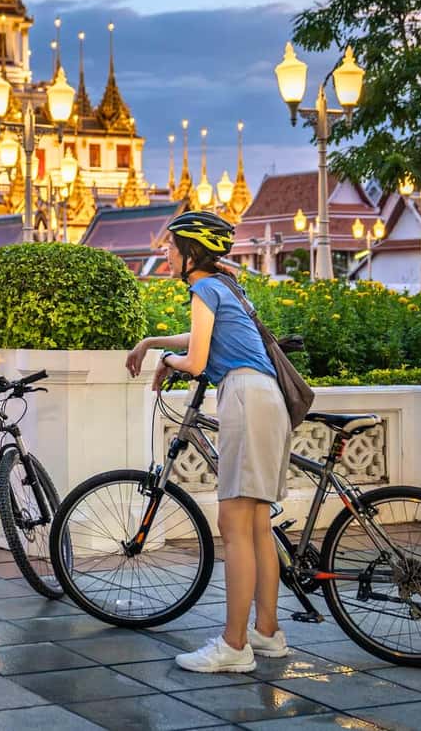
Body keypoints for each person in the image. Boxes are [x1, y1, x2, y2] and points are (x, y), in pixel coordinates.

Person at [126, 210, 292, 673]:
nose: (165, 252)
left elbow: (197, 360)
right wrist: (153, 343)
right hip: (265, 397)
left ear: (190, 253)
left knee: (234, 526)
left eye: (170, 246)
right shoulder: (225, 287)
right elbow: (201, 337)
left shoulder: (204, 288)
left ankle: (234, 646)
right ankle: (266, 632)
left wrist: (169, 360)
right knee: (256, 526)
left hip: (244, 397)